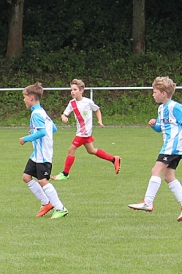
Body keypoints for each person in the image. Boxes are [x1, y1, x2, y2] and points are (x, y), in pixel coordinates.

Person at [128, 76, 182, 221]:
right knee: (168, 176)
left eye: (155, 92)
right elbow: (160, 128)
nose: (153, 94)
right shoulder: (161, 109)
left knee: (156, 171)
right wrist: (153, 125)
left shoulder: (175, 106)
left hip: (173, 146)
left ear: (164, 93)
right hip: (170, 146)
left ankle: (148, 202)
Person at [51, 79, 120, 180]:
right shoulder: (72, 103)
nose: (72, 92)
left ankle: (65, 174)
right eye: (71, 90)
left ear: (81, 90)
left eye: (75, 89)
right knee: (91, 150)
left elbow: (97, 110)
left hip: (84, 132)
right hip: (81, 131)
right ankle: (114, 159)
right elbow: (65, 114)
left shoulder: (88, 102)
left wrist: (100, 121)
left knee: (71, 149)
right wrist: (64, 117)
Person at [19, 83, 68, 219]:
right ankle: (46, 203)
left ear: (31, 98)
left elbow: (42, 132)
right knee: (26, 177)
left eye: (25, 97)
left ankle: (60, 208)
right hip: (37, 154)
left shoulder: (36, 113)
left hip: (43, 154)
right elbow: (53, 128)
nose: (24, 100)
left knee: (42, 181)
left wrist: (26, 138)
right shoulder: (42, 111)